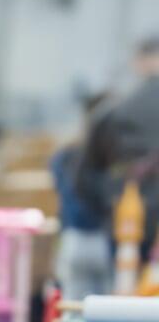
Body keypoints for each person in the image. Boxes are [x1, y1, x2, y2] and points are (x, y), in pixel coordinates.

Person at [76, 37, 159, 257]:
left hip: (125, 222)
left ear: (139, 62)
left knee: (126, 286)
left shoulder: (112, 111)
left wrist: (107, 207)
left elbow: (85, 175)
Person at [52, 92, 113, 301]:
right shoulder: (108, 157)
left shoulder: (66, 155)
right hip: (104, 238)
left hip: (73, 238)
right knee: (110, 311)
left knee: (72, 312)